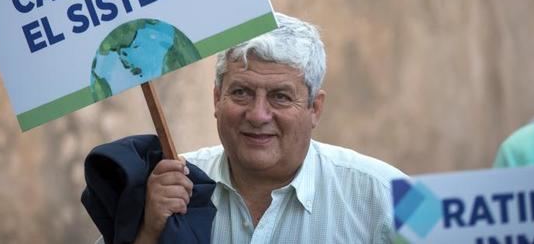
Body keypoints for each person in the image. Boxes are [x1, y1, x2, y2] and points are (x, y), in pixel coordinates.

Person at [98, 13, 405, 243]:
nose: (258, 115)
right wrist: (147, 233)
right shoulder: (163, 188)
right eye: (241, 92)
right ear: (217, 98)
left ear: (315, 108)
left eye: (280, 97)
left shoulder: (391, 192)